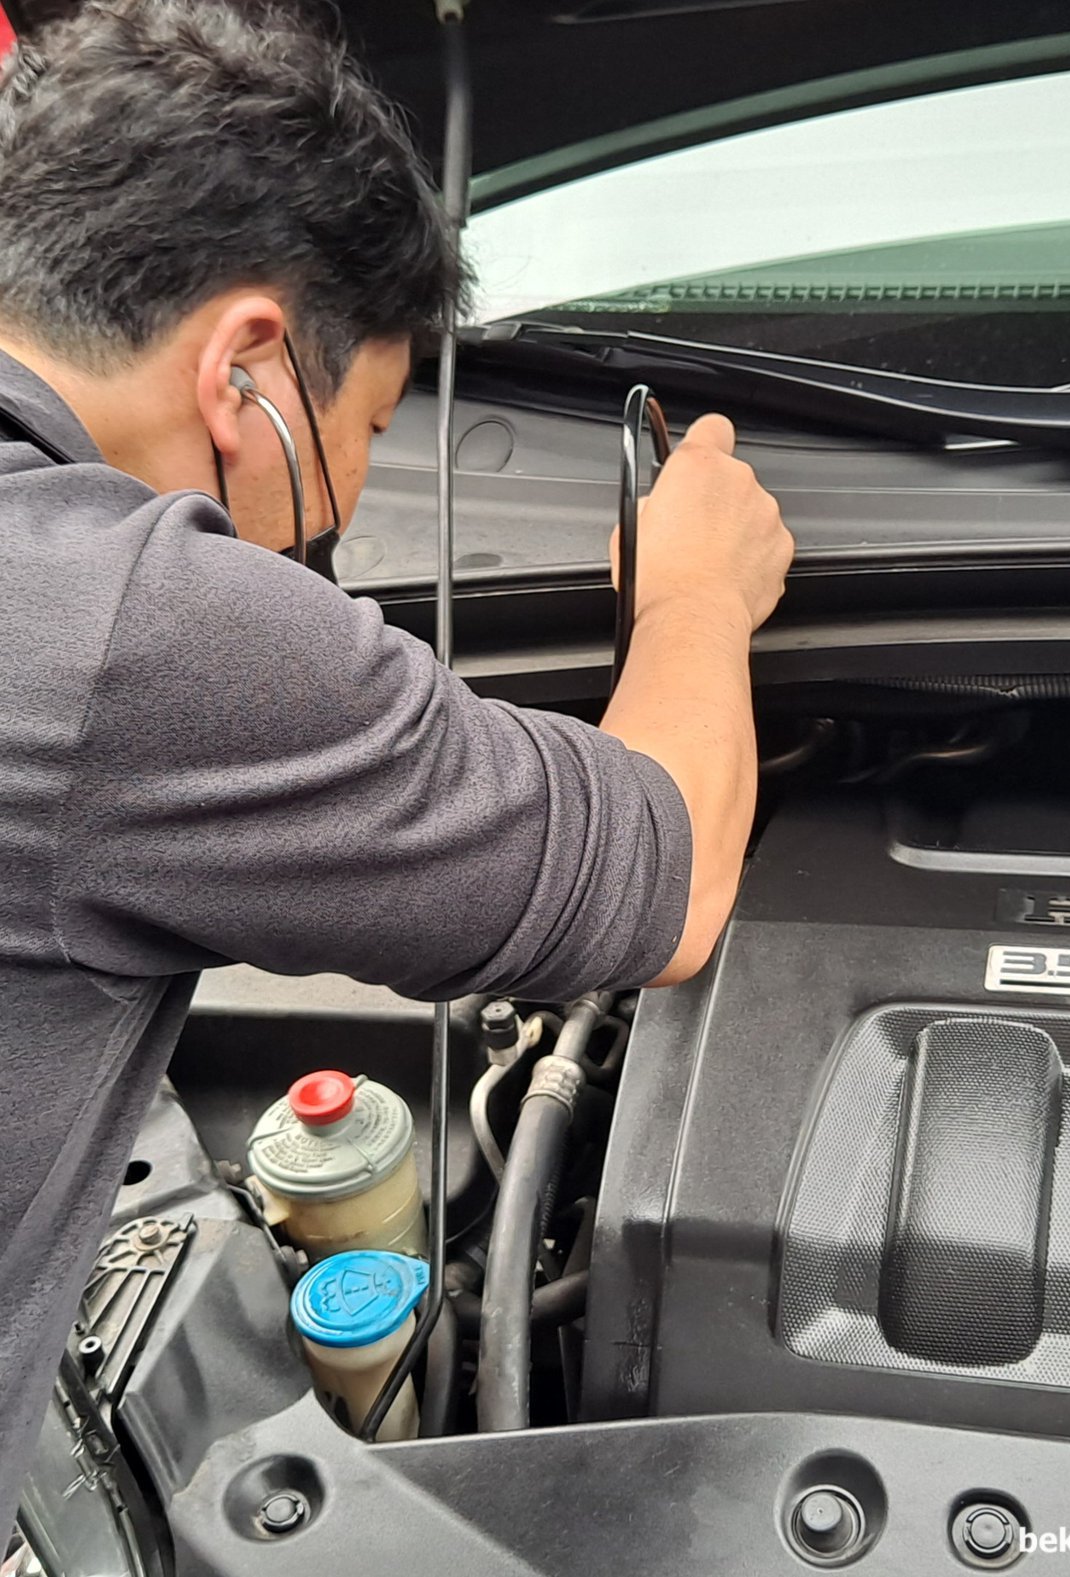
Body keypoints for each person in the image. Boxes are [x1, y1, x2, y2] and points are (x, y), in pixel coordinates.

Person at [0, 0, 793, 1532]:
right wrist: (698, 595)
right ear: (246, 366)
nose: (345, 501)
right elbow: (671, 872)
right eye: (367, 421)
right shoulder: (133, 623)